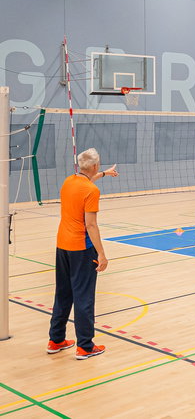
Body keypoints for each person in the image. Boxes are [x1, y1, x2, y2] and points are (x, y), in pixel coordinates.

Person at [47, 148, 117, 360]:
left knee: (63, 293)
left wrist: (104, 174)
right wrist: (102, 254)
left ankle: (56, 340)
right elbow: (91, 225)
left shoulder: (69, 181)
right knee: (84, 297)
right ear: (94, 165)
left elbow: (87, 182)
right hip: (81, 249)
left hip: (62, 246)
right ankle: (85, 346)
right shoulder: (91, 191)